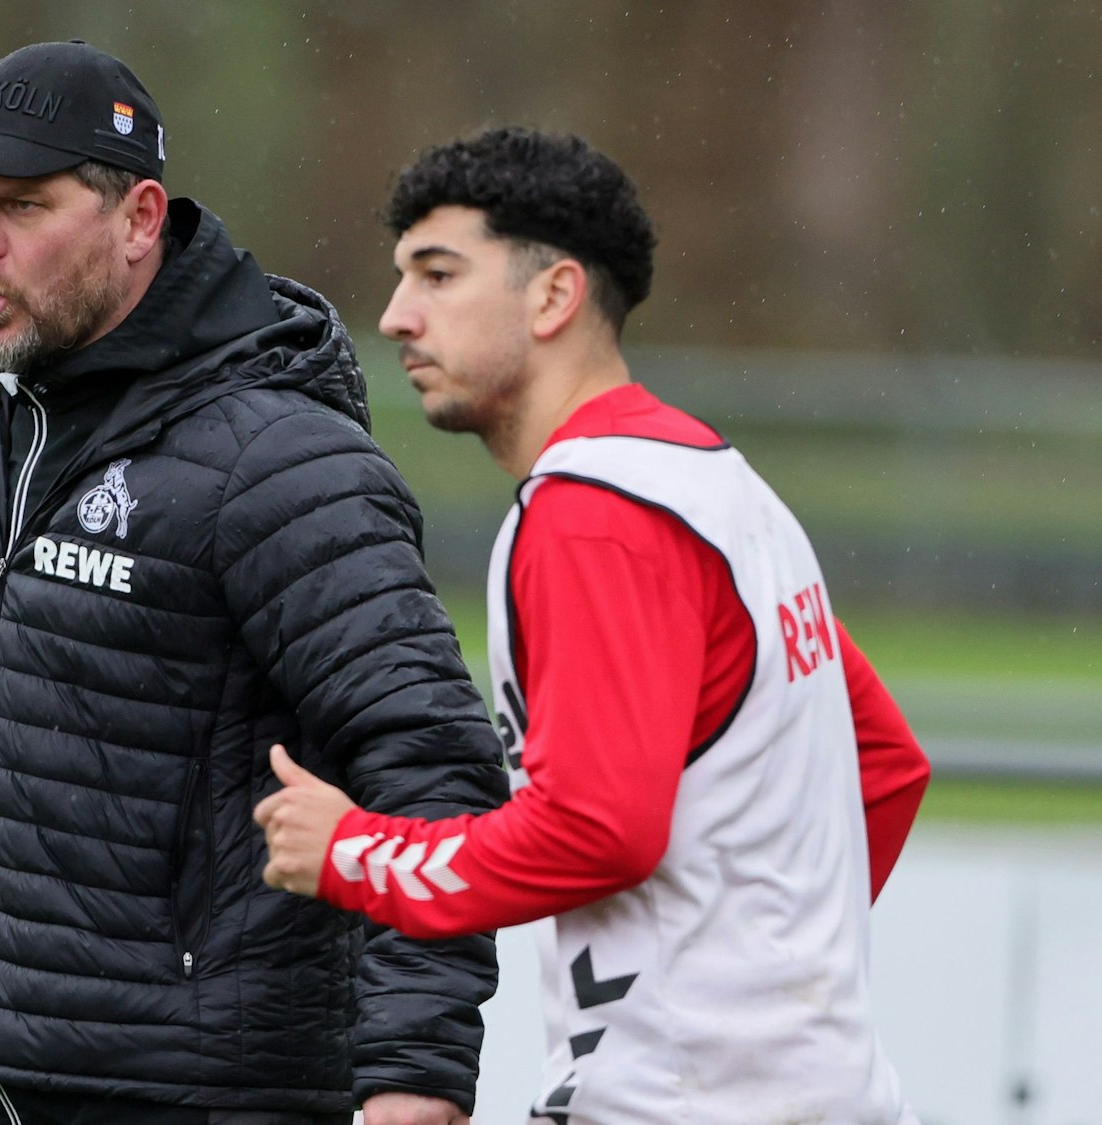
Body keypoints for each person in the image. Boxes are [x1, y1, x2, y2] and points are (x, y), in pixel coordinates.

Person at [0, 42, 509, 1125]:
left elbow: (429, 763)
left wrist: (414, 1075)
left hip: (207, 1093)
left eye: (20, 203)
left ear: (139, 218)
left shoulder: (279, 458)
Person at [255, 127, 932, 1124]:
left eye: (437, 275)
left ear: (553, 296)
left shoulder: (590, 510)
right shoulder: (718, 483)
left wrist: (357, 852)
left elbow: (595, 830)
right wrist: (765, 968)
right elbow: (882, 765)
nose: (397, 316)